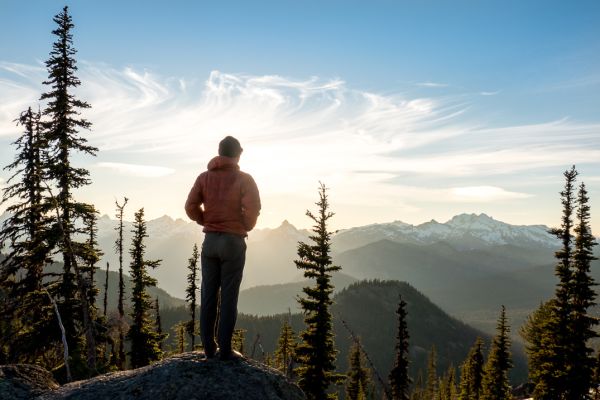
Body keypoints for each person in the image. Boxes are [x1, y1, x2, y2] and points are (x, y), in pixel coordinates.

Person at [184, 136, 261, 360]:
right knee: (229, 297)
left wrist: (205, 220)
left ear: (219, 153)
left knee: (208, 295)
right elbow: (253, 208)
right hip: (233, 242)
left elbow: (190, 206)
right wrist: (244, 225)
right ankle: (225, 350)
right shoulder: (244, 179)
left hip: (210, 243)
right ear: (239, 154)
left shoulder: (204, 178)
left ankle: (209, 348)